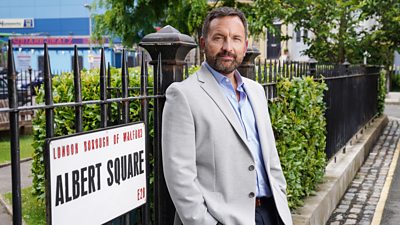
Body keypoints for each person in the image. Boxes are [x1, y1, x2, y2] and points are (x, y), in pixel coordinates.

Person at [162, 7, 292, 225]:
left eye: (236, 39)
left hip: (271, 214)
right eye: (219, 38)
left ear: (245, 44)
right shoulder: (183, 95)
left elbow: (271, 159)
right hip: (222, 220)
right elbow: (180, 178)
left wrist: (281, 201)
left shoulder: (256, 91)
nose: (227, 48)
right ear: (203, 43)